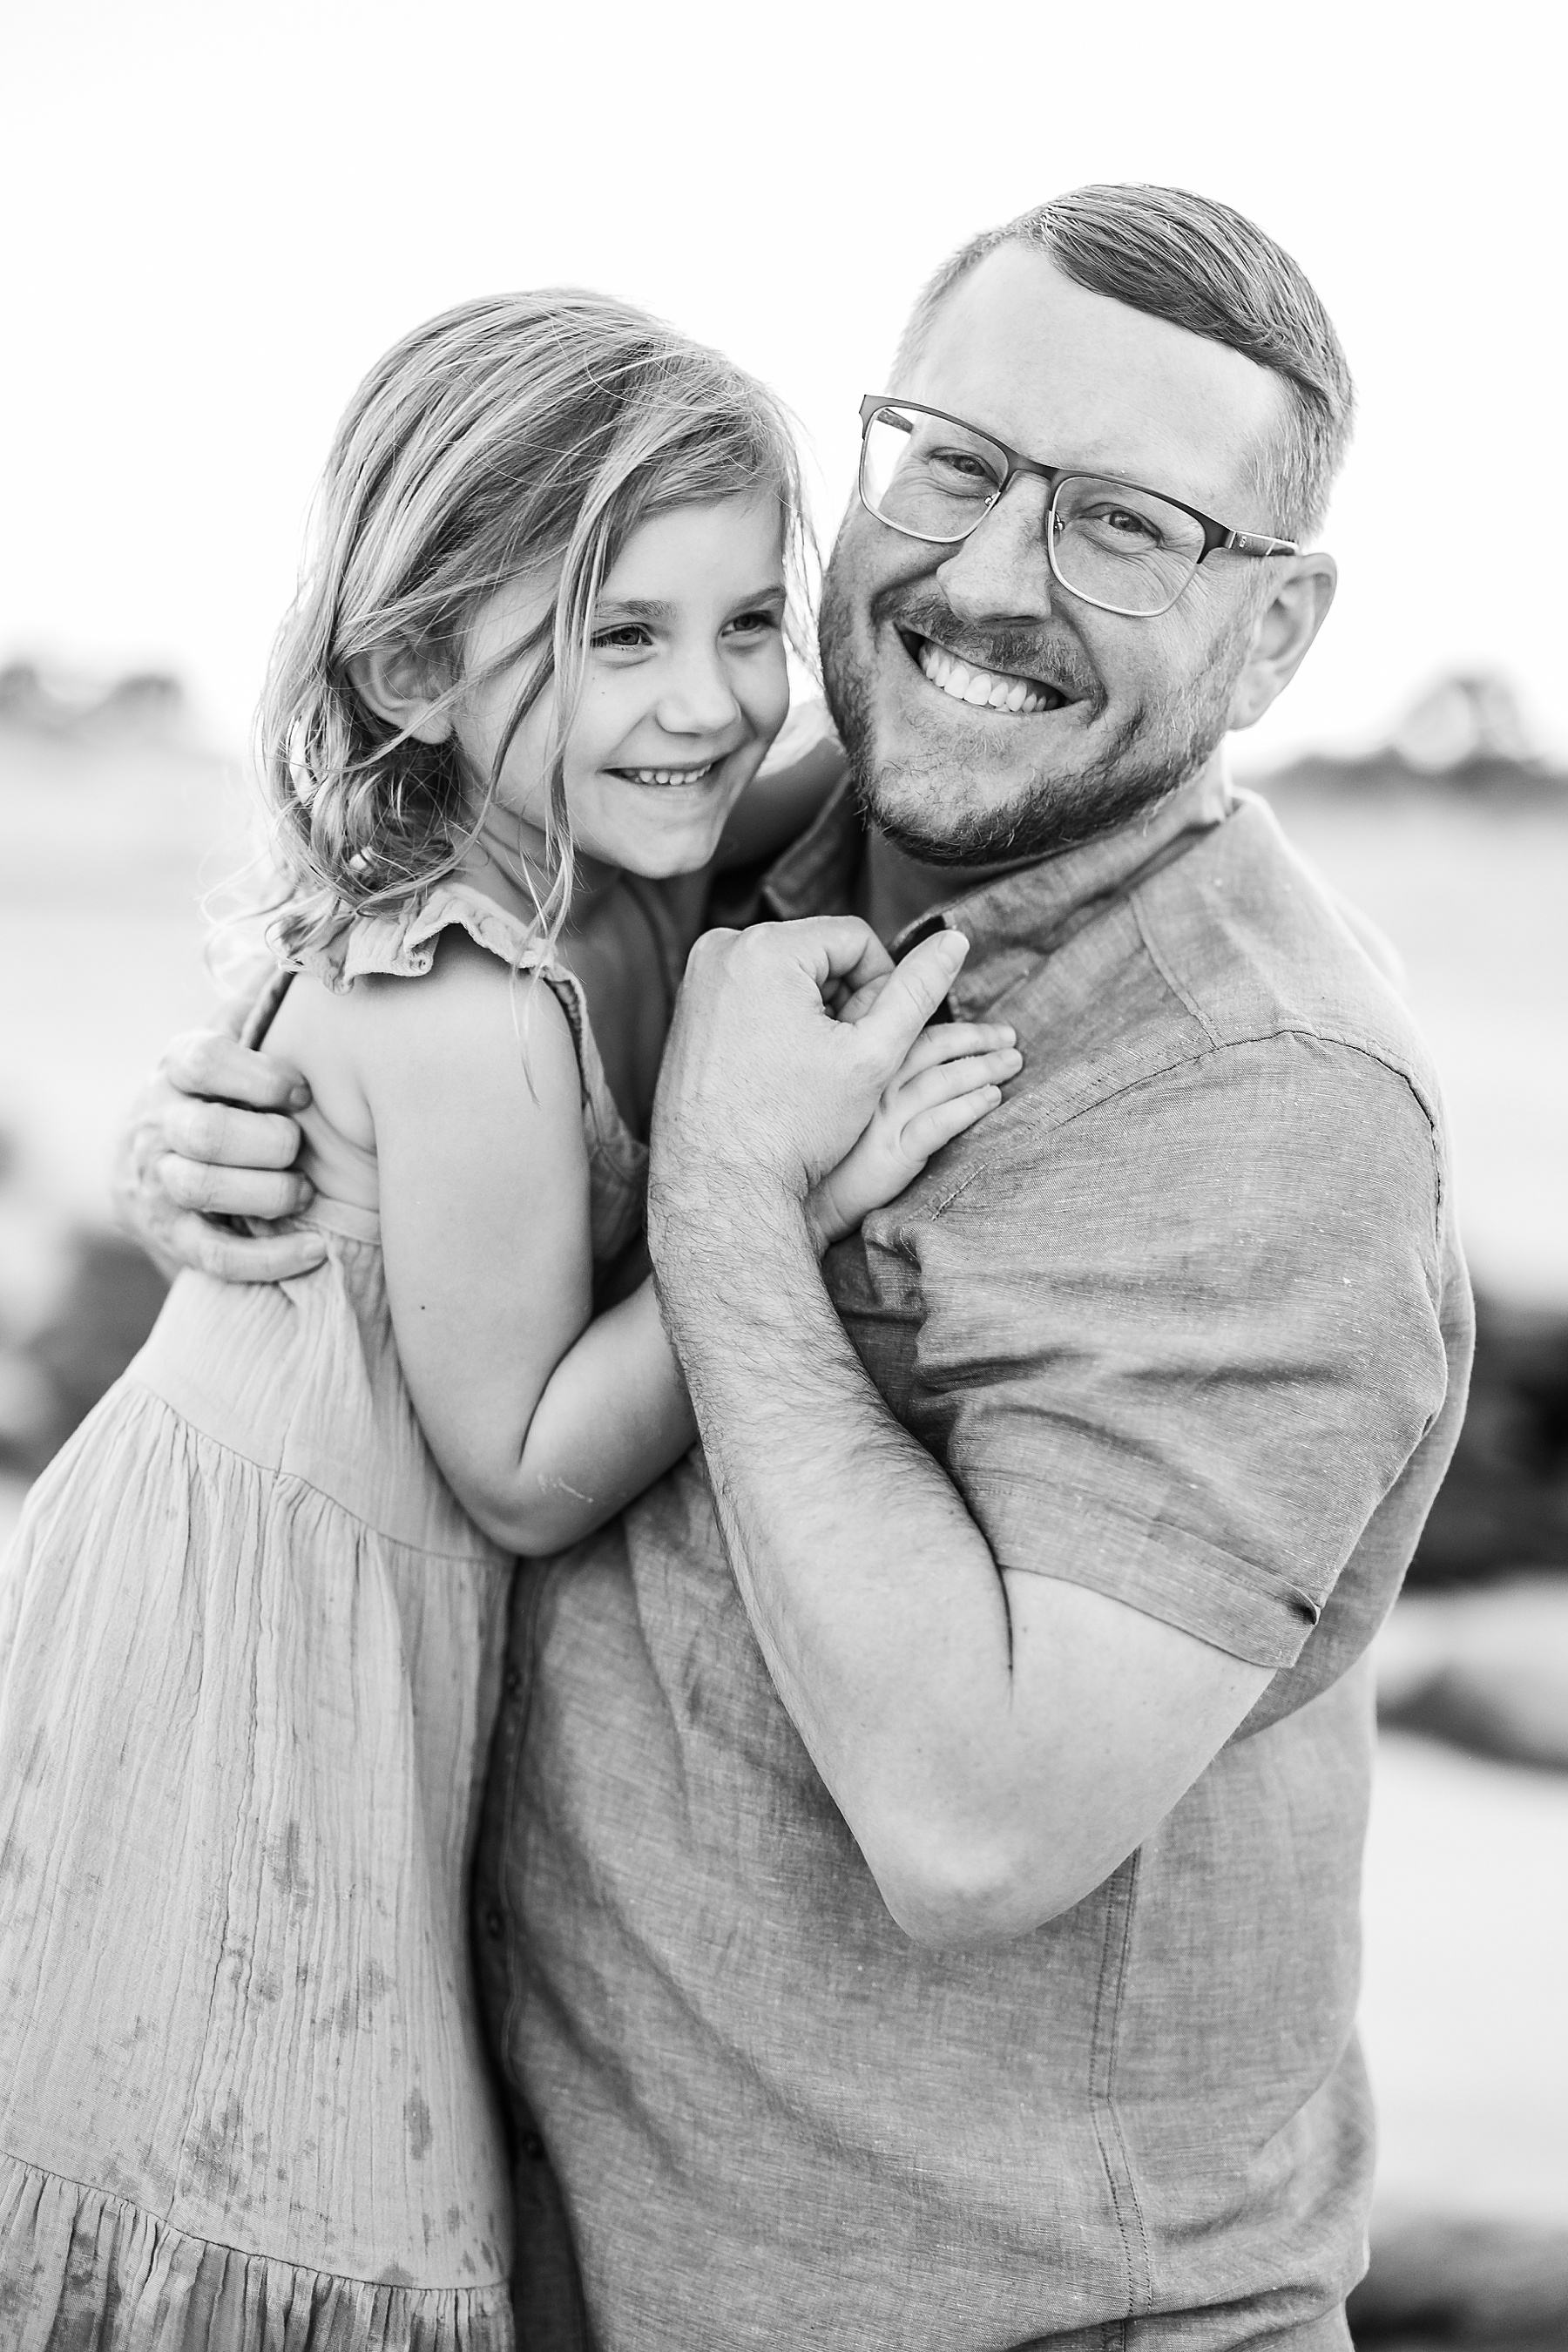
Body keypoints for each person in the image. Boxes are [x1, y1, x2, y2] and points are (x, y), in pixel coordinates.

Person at [119, 187, 1474, 2349]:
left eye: (1125, 523)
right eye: (953, 461)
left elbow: (971, 1831)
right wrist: (243, 1148)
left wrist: (739, 1206)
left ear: (1278, 629)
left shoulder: (1267, 1105)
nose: (994, 574)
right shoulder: (778, 825)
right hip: (554, 2247)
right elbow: (445, 929)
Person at [0, 289, 1015, 2348]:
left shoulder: (630, 848)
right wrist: (777, 1187)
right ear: (406, 664)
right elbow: (531, 1474)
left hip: (324, 1617)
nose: (710, 703)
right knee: (272, 2166)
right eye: (617, 636)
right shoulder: (465, 1009)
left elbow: (892, 747)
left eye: (750, 622)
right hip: (249, 1685)